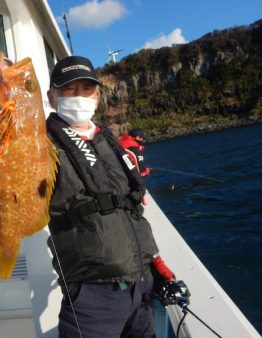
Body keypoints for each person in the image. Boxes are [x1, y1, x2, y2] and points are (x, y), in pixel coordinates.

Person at [46, 55, 174, 338]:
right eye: (69, 89)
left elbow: (129, 210)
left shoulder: (109, 140)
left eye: (86, 89)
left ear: (97, 95)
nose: (79, 96)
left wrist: (154, 261)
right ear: (51, 97)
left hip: (140, 286)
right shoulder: (42, 146)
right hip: (92, 296)